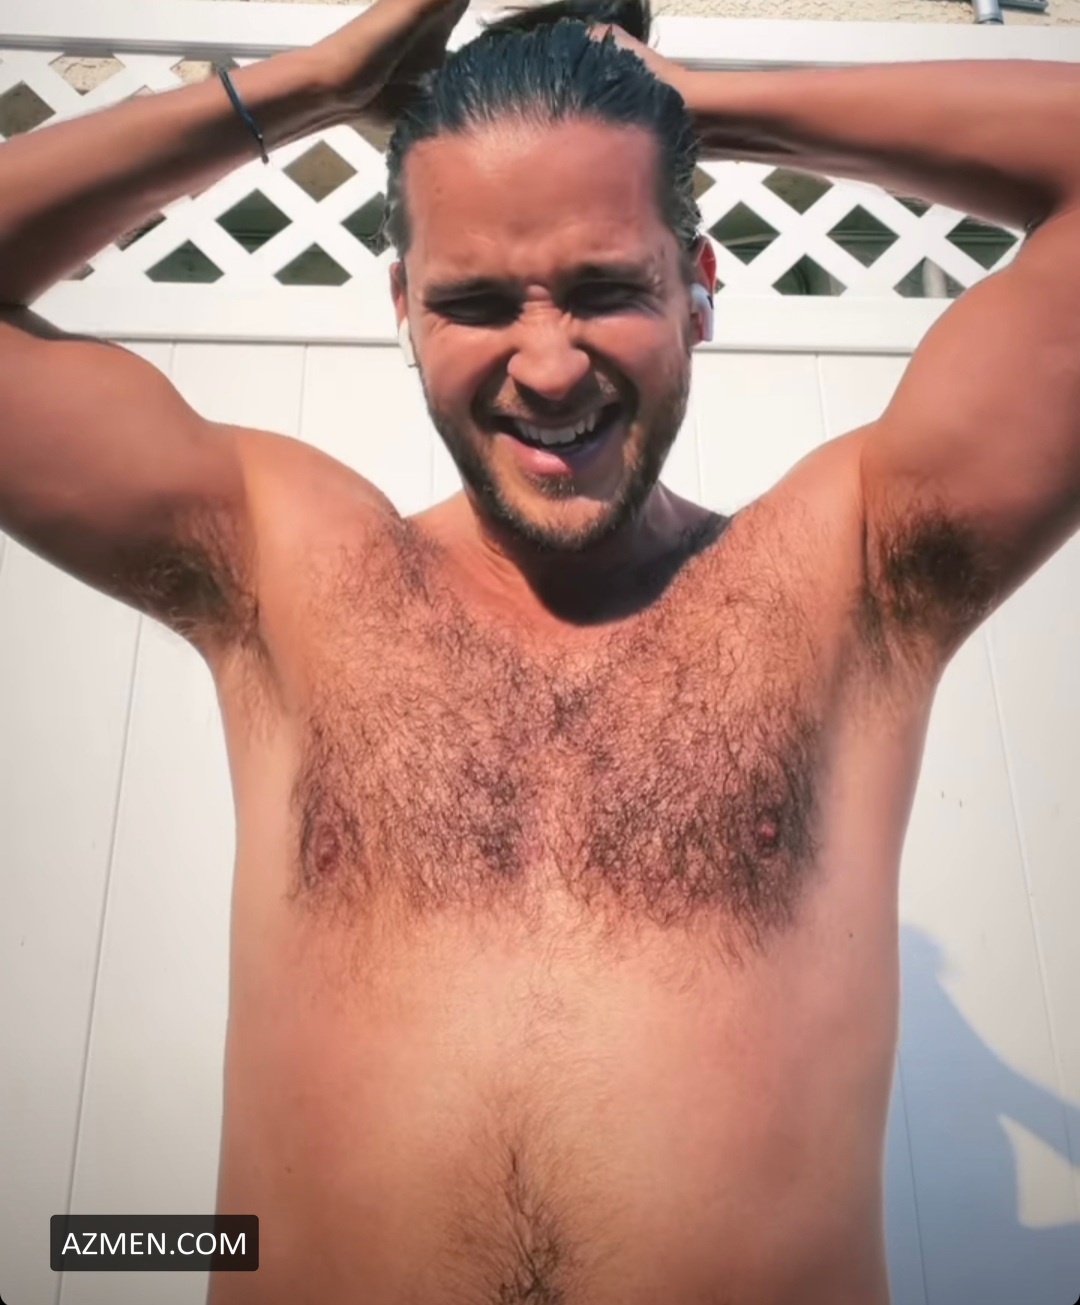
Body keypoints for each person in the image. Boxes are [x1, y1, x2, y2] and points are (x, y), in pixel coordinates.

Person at [1, 0, 1079, 1298]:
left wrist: (696, 105)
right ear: (402, 305)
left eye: (607, 288)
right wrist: (306, 85)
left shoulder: (853, 576)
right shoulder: (285, 571)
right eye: (472, 302)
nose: (551, 367)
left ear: (699, 286)